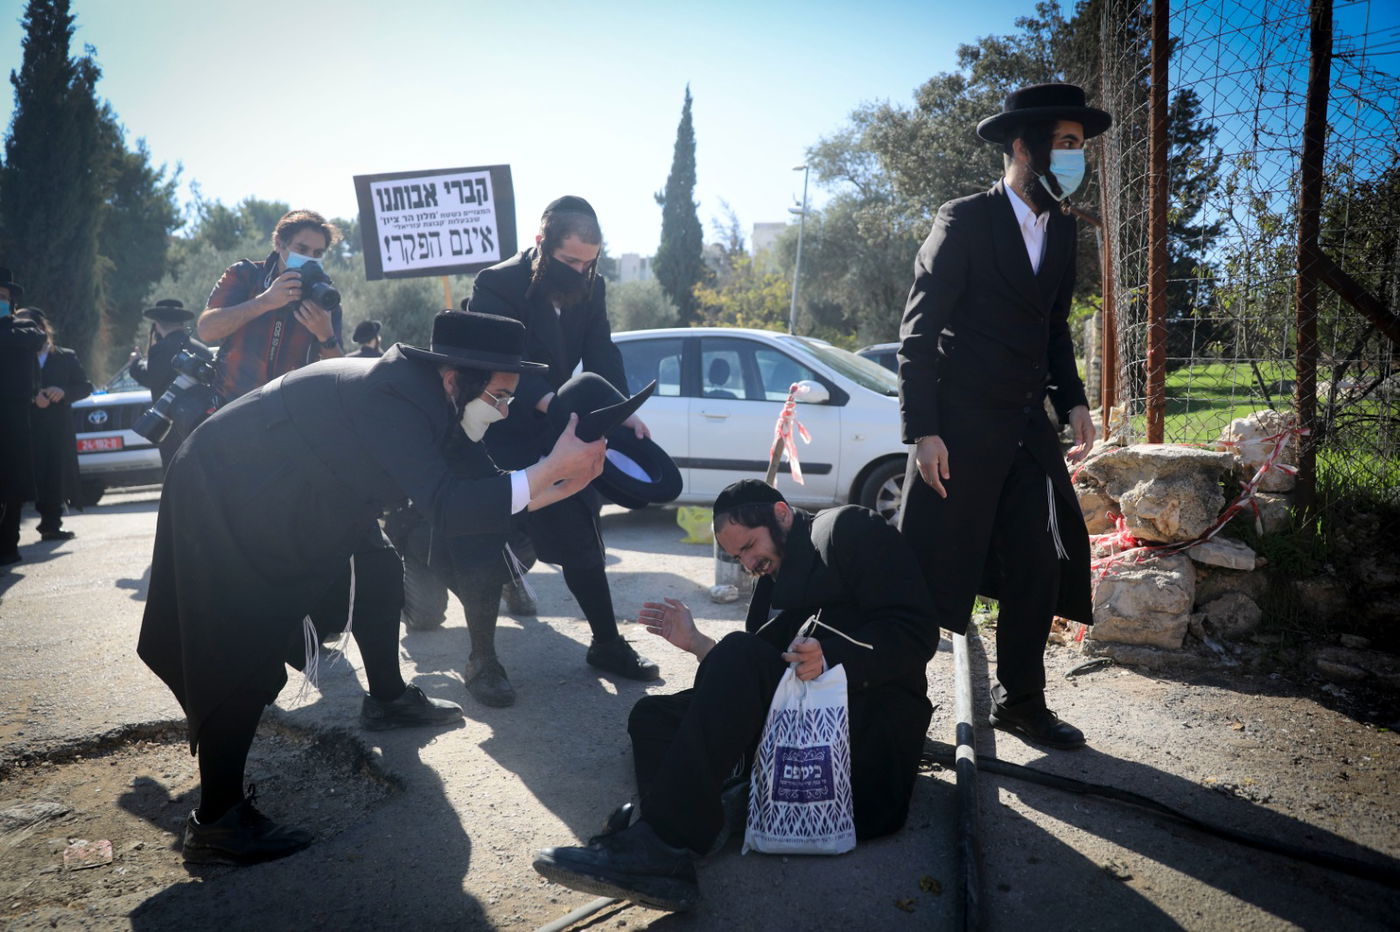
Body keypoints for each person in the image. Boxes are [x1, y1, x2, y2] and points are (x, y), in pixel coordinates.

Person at [137, 310, 607, 865]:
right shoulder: (396, 397)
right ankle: (217, 820)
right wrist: (544, 474)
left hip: (303, 488)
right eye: (500, 397)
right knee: (240, 642)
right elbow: (445, 503)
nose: (503, 412)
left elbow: (480, 482)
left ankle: (386, 699)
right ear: (458, 375)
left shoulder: (438, 396)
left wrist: (557, 479)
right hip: (229, 492)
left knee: (378, 568)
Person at [534, 479, 939, 912]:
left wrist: (833, 656)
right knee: (652, 715)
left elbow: (915, 632)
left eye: (749, 546)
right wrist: (697, 644)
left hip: (864, 735)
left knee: (738, 651)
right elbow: (754, 674)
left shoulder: (847, 529)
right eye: (738, 557)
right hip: (795, 720)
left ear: (781, 514)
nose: (748, 564)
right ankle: (680, 833)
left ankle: (664, 838)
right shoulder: (773, 575)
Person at [896, 83, 1110, 751]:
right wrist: (923, 430)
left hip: (1024, 431)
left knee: (1038, 565)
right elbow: (918, 335)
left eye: (1080, 147)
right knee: (930, 571)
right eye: (1067, 144)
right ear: (1024, 145)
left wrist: (1072, 398)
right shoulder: (964, 219)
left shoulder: (1064, 227)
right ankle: (896, 704)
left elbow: (1053, 329)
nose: (1077, 158)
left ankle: (1022, 702)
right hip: (955, 434)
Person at [467, 195, 657, 683]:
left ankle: (607, 644)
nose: (580, 271)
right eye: (570, 261)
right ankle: (483, 661)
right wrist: (552, 402)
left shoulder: (592, 287)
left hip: (561, 430)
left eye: (589, 262)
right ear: (540, 246)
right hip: (500, 431)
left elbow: (601, 352)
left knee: (581, 537)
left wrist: (621, 411)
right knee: (487, 548)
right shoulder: (497, 283)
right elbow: (497, 362)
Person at [384, 372, 655, 709]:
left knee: (574, 526)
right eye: (500, 398)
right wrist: (552, 410)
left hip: (546, 438)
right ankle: (480, 659)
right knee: (437, 598)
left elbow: (597, 361)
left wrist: (616, 417)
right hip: (452, 485)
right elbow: (465, 505)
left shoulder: (481, 424)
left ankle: (606, 642)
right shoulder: (431, 416)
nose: (505, 408)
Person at [197, 209, 344, 403]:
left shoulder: (325, 299)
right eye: (301, 249)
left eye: (317, 253)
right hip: (231, 409)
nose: (310, 257)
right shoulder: (246, 275)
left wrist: (326, 336)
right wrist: (264, 302)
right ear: (278, 243)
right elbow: (206, 330)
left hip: (288, 416)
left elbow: (341, 372)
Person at [16, 307, 92, 541]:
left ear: (41, 328)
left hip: (57, 428)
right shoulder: (15, 357)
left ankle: (51, 524)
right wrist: (31, 397)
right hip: (25, 428)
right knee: (23, 476)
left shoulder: (65, 356)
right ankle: (10, 530)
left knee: (55, 475)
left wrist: (64, 392)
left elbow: (85, 386)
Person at [129, 299, 213, 468]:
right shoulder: (202, 348)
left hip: (170, 425)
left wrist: (135, 364)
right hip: (203, 422)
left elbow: (151, 378)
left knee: (174, 472)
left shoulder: (159, 349)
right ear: (181, 323)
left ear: (157, 326)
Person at [0, 269, 45, 565]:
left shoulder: (23, 329)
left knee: (12, 483)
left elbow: (36, 337)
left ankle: (8, 545)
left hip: (14, 415)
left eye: (2, 297)